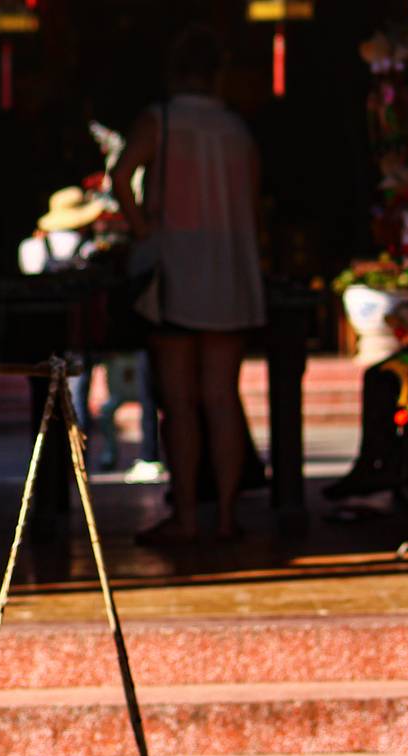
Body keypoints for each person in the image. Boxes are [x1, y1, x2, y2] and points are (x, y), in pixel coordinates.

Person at [112, 25, 266, 543]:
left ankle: (186, 518)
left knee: (178, 403)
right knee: (222, 396)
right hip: (230, 271)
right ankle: (224, 515)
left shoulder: (163, 120)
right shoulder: (236, 129)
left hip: (176, 270)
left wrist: (141, 228)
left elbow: (120, 175)